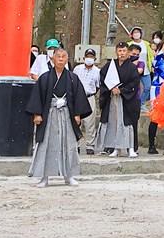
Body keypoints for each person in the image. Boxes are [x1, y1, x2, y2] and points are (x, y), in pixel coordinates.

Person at [27, 47, 92, 186]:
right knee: (46, 144)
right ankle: (44, 177)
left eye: (63, 56)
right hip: (49, 113)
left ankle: (69, 176)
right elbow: (37, 96)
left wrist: (77, 114)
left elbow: (78, 97)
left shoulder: (73, 78)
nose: (61, 59)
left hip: (67, 113)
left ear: (67, 59)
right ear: (53, 58)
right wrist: (37, 114)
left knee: (68, 144)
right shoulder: (44, 77)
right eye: (58, 56)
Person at [95, 42, 141, 158]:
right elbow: (103, 77)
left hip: (126, 100)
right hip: (113, 98)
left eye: (124, 51)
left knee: (127, 124)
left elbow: (134, 82)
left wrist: (122, 90)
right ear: (116, 52)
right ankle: (116, 148)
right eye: (120, 51)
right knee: (114, 123)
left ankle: (131, 148)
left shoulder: (131, 67)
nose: (122, 53)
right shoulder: (110, 65)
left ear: (128, 52)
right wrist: (111, 88)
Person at [147, 40, 164, 154]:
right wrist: (161, 52)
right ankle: (151, 145)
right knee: (155, 117)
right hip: (158, 88)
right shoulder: (158, 58)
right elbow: (157, 67)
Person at [74, 48, 101, 154]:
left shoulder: (97, 71)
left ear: (94, 58)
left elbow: (98, 85)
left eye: (91, 57)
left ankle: (90, 145)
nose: (89, 59)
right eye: (88, 57)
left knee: (90, 122)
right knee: (76, 121)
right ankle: (76, 145)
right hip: (77, 97)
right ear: (84, 58)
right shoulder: (77, 69)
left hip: (90, 97)